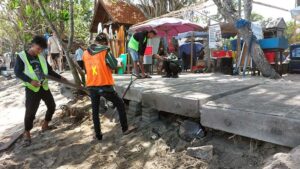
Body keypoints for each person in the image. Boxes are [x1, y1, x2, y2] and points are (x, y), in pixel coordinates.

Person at [14, 36, 67, 146]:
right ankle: (27, 133)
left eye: (41, 49)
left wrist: (60, 78)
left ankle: (45, 125)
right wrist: (30, 81)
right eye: (38, 49)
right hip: (32, 89)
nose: (40, 51)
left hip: (43, 86)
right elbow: (18, 72)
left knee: (52, 106)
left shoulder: (41, 56)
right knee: (30, 112)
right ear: (32, 45)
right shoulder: (21, 56)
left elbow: (49, 71)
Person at [82, 33, 134, 141]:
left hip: (91, 85)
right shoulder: (105, 50)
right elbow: (114, 65)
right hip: (104, 85)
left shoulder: (85, 53)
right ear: (105, 42)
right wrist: (117, 62)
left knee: (95, 111)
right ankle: (125, 129)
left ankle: (98, 135)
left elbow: (87, 69)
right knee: (120, 104)